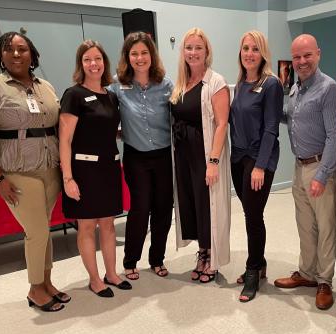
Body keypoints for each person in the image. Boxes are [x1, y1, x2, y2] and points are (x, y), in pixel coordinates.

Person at [0, 32, 68, 312]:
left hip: (49, 168)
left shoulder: (46, 86)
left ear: (32, 54)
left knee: (44, 228)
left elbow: (60, 124)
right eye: (9, 50)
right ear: (0, 55)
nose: (16, 54)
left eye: (22, 49)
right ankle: (34, 288)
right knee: (37, 231)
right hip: (17, 171)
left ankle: (47, 282)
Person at [59, 40, 131, 298]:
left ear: (104, 63)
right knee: (87, 226)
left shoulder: (111, 95)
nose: (93, 64)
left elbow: (110, 130)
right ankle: (94, 279)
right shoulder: (74, 95)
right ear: (81, 64)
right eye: (87, 59)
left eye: (97, 59)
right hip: (84, 171)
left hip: (109, 168)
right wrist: (68, 178)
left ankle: (111, 273)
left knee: (109, 225)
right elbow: (65, 140)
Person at [274, 34, 336, 310]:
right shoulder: (295, 89)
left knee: (325, 227)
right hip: (299, 165)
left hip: (320, 165)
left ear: (318, 54)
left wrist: (322, 175)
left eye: (307, 56)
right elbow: (290, 118)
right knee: (305, 225)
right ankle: (307, 273)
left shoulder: (328, 88)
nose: (302, 62)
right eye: (297, 57)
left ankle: (325, 281)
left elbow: (334, 135)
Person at [108, 32, 173, 281]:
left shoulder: (165, 84)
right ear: (127, 57)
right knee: (140, 208)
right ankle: (130, 259)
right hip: (136, 157)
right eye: (134, 53)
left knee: (163, 209)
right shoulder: (117, 84)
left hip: (164, 156)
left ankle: (157, 258)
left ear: (152, 55)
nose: (139, 58)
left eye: (144, 53)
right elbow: (103, 112)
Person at [170, 28, 231, 283]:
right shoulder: (181, 82)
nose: (193, 53)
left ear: (207, 52)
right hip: (183, 154)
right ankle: (202, 251)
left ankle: (211, 257)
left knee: (209, 206)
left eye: (198, 48)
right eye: (189, 48)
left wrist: (213, 161)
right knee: (192, 203)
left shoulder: (215, 81)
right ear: (183, 52)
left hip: (204, 154)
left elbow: (221, 123)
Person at [230, 31, 283, 302]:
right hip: (238, 158)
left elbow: (272, 128)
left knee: (253, 216)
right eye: (245, 48)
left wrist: (260, 166)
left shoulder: (271, 84)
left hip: (258, 159)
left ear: (262, 54)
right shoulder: (239, 84)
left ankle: (253, 271)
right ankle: (259, 263)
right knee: (250, 212)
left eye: (255, 49)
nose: (249, 53)